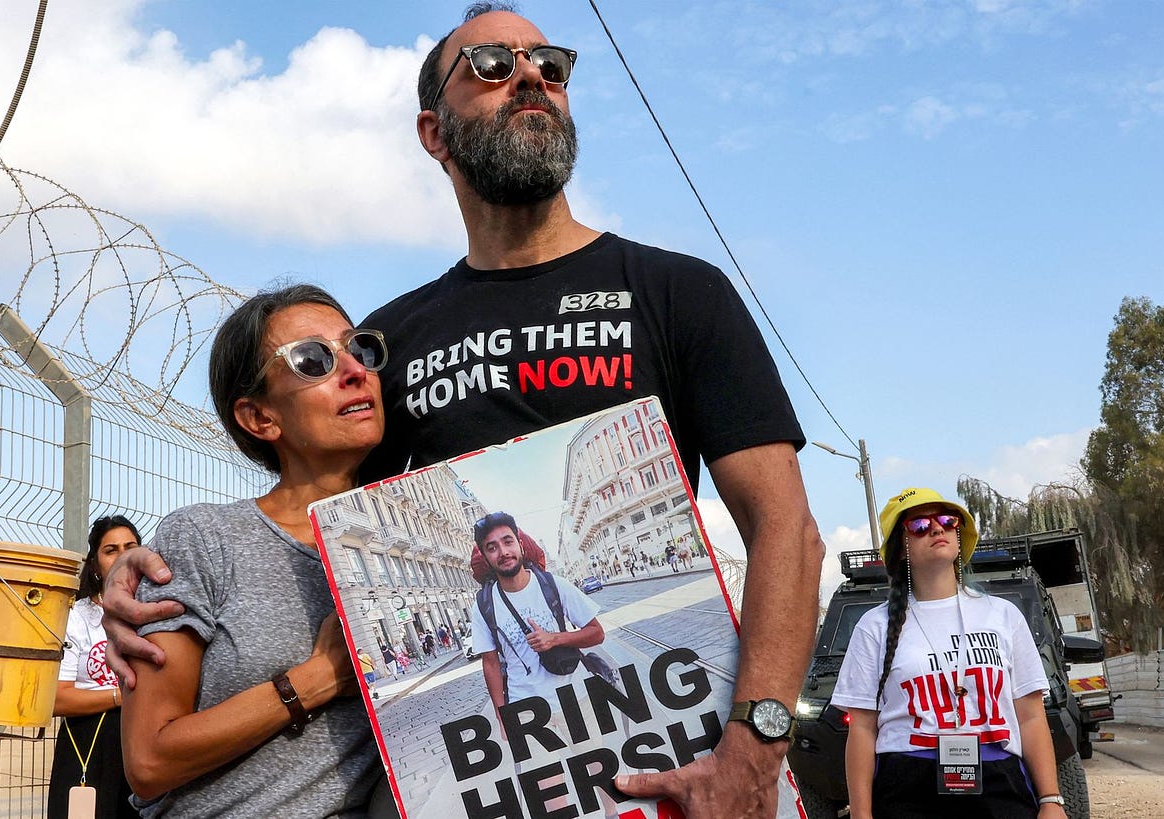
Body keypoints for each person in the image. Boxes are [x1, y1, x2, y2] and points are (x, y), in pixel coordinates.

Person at [102, 6, 824, 817]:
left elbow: (786, 532)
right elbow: (317, 520)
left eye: (549, 64)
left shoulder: (679, 293)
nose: (531, 76)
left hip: (664, 776)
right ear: (434, 133)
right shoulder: (387, 342)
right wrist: (141, 573)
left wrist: (756, 746)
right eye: (489, 64)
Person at [118, 284, 395, 818]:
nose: (354, 370)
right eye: (312, 360)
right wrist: (318, 678)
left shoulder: (428, 542)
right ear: (259, 418)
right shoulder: (205, 539)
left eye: (359, 348)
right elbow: (150, 760)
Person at [830, 488, 1067, 819]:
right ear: (901, 549)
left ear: (958, 534)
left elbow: (1029, 715)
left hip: (999, 781)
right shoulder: (874, 626)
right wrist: (861, 815)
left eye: (946, 520)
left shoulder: (1003, 615)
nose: (937, 528)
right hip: (906, 784)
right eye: (919, 525)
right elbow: (863, 729)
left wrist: (1051, 800)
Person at [47, 515, 143, 819]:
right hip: (88, 745)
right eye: (110, 549)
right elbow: (57, 698)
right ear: (95, 563)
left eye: (130, 546)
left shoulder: (159, 613)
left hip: (144, 740)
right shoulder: (76, 618)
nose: (122, 555)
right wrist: (120, 695)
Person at [467, 512, 604, 708]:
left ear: (520, 545)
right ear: (486, 557)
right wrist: (502, 716)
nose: (503, 552)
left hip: (576, 697)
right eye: (492, 547)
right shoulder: (483, 605)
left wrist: (555, 638)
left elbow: (597, 633)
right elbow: (490, 664)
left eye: (508, 542)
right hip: (526, 709)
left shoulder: (554, 584)